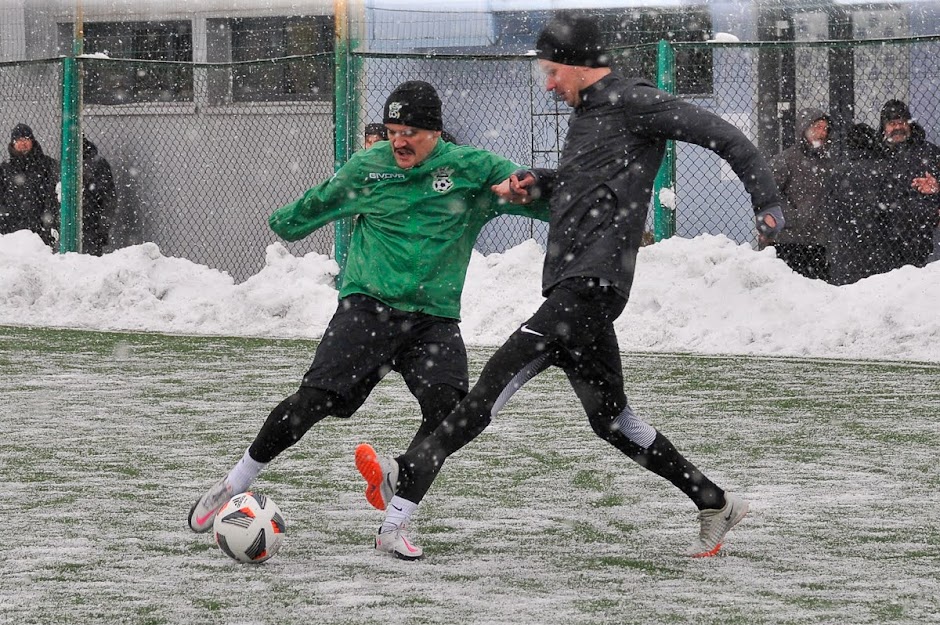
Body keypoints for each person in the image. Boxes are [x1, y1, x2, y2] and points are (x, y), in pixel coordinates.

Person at [354, 12, 785, 561]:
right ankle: (715, 502)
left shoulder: (636, 101)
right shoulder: (586, 119)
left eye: (553, 72)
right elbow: (586, 187)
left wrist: (766, 200)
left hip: (590, 287)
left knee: (489, 389)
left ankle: (402, 484)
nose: (549, 84)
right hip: (574, 287)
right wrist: (544, 181)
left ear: (579, 65)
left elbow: (727, 137)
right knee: (613, 421)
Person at [186, 81, 550, 556]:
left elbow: (530, 190)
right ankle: (234, 483)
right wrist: (286, 219)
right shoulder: (369, 168)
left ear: (436, 132)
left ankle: (393, 524)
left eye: (411, 132)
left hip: (433, 321)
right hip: (367, 309)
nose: (399, 141)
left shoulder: (472, 170)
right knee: (315, 401)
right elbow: (306, 212)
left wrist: (556, 201)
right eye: (393, 130)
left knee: (450, 415)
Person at [826, 100, 940, 284]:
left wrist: (937, 187)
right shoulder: (874, 153)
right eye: (892, 123)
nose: (898, 128)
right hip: (884, 241)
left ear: (910, 124)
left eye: (902, 122)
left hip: (923, 234)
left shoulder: (930, 153)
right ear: (883, 127)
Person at [767, 108, 834, 281]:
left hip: (819, 242)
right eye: (817, 127)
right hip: (789, 241)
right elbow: (768, 194)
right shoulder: (785, 160)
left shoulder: (829, 162)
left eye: (825, 128)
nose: (822, 133)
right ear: (803, 129)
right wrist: (793, 216)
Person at [0, 123, 60, 248]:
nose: (23, 143)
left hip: (40, 229)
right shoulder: (4, 169)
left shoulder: (48, 165)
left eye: (26, 139)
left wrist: (49, 225)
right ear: (13, 143)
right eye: (19, 140)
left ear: (32, 141)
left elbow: (53, 198)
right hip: (11, 231)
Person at [81, 136, 117, 256]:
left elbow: (109, 198)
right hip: (88, 225)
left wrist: (103, 226)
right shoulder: (65, 164)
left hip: (92, 225)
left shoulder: (98, 165)